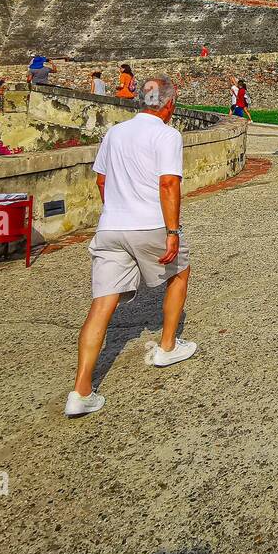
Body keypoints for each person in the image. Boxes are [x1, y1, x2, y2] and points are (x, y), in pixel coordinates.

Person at [66, 77, 196, 418]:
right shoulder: (167, 134)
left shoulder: (115, 133)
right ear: (168, 104)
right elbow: (168, 183)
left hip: (112, 226)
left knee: (101, 304)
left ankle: (81, 390)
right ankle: (167, 346)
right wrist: (172, 230)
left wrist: (115, 210)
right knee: (179, 273)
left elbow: (102, 180)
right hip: (149, 222)